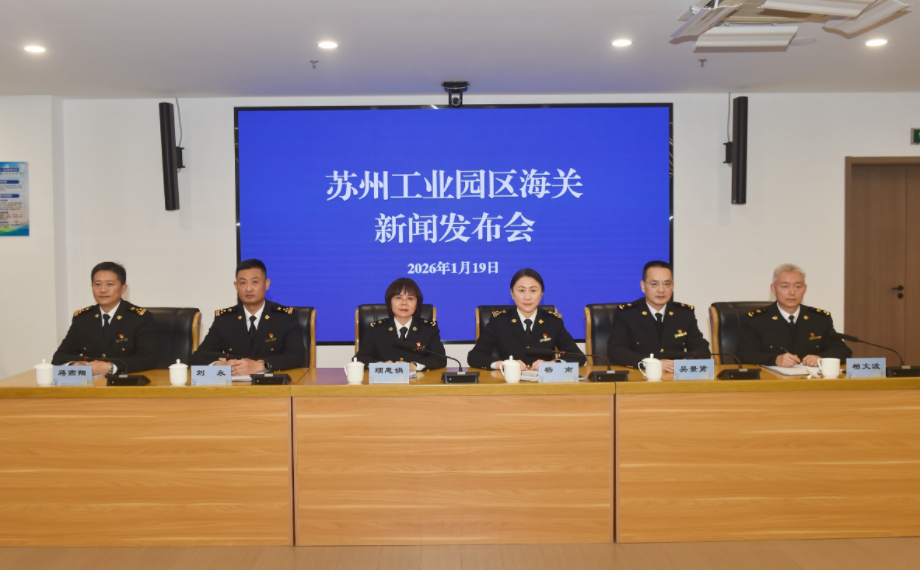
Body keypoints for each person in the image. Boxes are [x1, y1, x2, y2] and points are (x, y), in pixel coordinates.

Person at [191, 259, 305, 374]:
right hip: (236, 384)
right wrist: (221, 365)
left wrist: (262, 365)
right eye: (243, 283)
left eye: (255, 282)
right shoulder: (225, 319)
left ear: (266, 284)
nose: (248, 289)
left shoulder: (284, 317)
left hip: (272, 383)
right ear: (236, 286)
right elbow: (199, 356)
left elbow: (297, 356)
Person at [468, 268, 585, 370]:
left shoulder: (552, 321)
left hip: (544, 384)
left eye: (533, 290)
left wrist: (553, 364)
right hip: (509, 383)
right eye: (521, 290)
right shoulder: (499, 321)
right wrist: (503, 364)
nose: (527, 297)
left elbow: (578, 356)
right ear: (512, 294)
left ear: (541, 293)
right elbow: (474, 356)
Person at [737, 263, 852, 366]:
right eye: (785, 286)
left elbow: (843, 351)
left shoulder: (819, 319)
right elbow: (743, 354)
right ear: (773, 289)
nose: (792, 292)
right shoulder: (757, 319)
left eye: (798, 287)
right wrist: (775, 359)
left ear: (805, 289)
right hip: (773, 379)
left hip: (810, 380)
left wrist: (821, 358)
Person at [52, 262, 157, 374]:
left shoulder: (138, 318)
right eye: (97, 284)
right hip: (92, 382)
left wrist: (111, 367)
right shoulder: (83, 319)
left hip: (125, 381)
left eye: (110, 284)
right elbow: (59, 357)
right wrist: (73, 364)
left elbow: (147, 359)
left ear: (123, 288)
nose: (102, 290)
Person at [607, 260, 710, 372]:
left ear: (673, 286)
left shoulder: (684, 314)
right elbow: (615, 351)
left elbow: (702, 349)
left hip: (674, 375)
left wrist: (684, 363)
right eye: (654, 284)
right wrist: (651, 363)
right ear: (643, 286)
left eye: (667, 284)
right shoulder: (627, 314)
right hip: (641, 375)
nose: (661, 290)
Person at [355, 277, 447, 370]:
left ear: (417, 304)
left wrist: (414, 365)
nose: (404, 303)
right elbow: (360, 358)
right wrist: (382, 365)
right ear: (390, 302)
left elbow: (440, 358)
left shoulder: (428, 329)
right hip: (386, 379)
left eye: (410, 298)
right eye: (398, 298)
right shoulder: (377, 330)